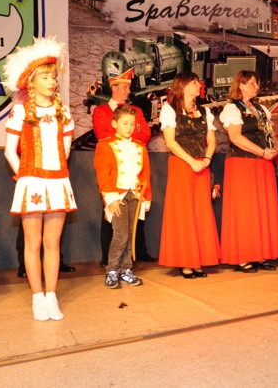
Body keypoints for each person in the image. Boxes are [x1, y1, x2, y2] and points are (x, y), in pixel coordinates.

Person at [3, 37, 77, 321]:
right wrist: (24, 175)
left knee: (53, 243)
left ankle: (51, 296)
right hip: (31, 181)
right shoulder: (21, 111)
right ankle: (37, 297)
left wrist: (54, 171)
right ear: (31, 82)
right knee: (32, 243)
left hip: (58, 182)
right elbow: (9, 151)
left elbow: (65, 151)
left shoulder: (64, 113)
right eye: (44, 77)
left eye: (53, 77)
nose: (51, 82)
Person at [219, 70, 278, 272]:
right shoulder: (232, 108)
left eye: (257, 83)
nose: (257, 87)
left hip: (262, 163)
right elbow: (236, 138)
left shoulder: (261, 109)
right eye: (253, 83)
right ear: (241, 85)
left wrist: (274, 149)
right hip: (243, 163)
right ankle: (243, 256)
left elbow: (270, 132)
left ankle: (261, 253)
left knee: (263, 209)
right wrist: (262, 152)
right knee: (245, 210)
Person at [158, 72, 221, 278]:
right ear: (184, 87)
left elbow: (211, 141)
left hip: (201, 165)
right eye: (195, 82)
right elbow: (170, 142)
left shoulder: (204, 111)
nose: (199, 85)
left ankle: (198, 260)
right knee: (183, 213)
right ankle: (186, 261)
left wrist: (207, 159)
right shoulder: (170, 110)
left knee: (201, 212)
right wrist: (191, 161)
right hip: (182, 164)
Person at [92, 68, 155, 265]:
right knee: (111, 218)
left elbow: (145, 134)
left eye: (129, 88)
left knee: (135, 219)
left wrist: (131, 144)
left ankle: (136, 255)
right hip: (113, 170)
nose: (129, 91)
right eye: (125, 87)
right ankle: (109, 260)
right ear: (114, 87)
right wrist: (122, 141)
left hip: (133, 166)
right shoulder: (101, 111)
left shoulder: (136, 111)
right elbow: (102, 135)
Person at [94, 105, 152, 289]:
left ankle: (125, 269)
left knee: (131, 236)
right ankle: (111, 270)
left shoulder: (140, 147)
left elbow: (145, 174)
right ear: (114, 124)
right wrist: (111, 199)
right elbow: (103, 173)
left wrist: (146, 197)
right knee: (120, 235)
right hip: (117, 195)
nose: (129, 127)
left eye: (132, 124)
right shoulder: (105, 145)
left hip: (135, 194)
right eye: (125, 123)